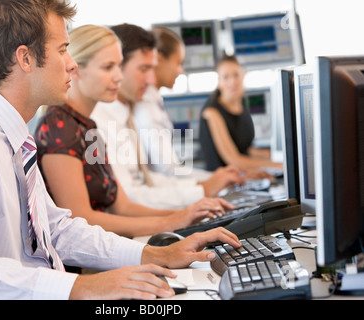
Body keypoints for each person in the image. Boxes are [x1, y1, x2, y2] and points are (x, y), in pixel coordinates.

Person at [0, 0, 242, 300]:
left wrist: (153, 255)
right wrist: (80, 287)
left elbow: (56, 230)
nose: (72, 64)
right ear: (25, 58)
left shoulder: (11, 135)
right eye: (63, 50)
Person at [34, 25, 234, 238]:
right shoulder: (60, 126)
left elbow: (122, 205)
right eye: (108, 67)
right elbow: (80, 219)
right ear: (76, 69)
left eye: (119, 66)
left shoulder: (88, 127)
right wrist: (172, 221)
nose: (119, 77)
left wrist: (185, 215)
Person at [91, 23, 243, 210]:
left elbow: (147, 180)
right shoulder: (100, 122)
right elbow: (130, 197)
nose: (151, 80)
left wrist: (203, 187)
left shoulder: (124, 115)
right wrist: (202, 190)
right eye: (144, 69)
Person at [199, 55, 283, 172]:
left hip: (243, 178)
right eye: (226, 77)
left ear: (243, 75)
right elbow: (234, 160)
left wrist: (271, 155)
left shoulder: (240, 106)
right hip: (225, 185)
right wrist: (280, 166)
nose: (232, 81)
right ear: (219, 82)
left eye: (236, 75)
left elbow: (244, 149)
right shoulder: (211, 112)